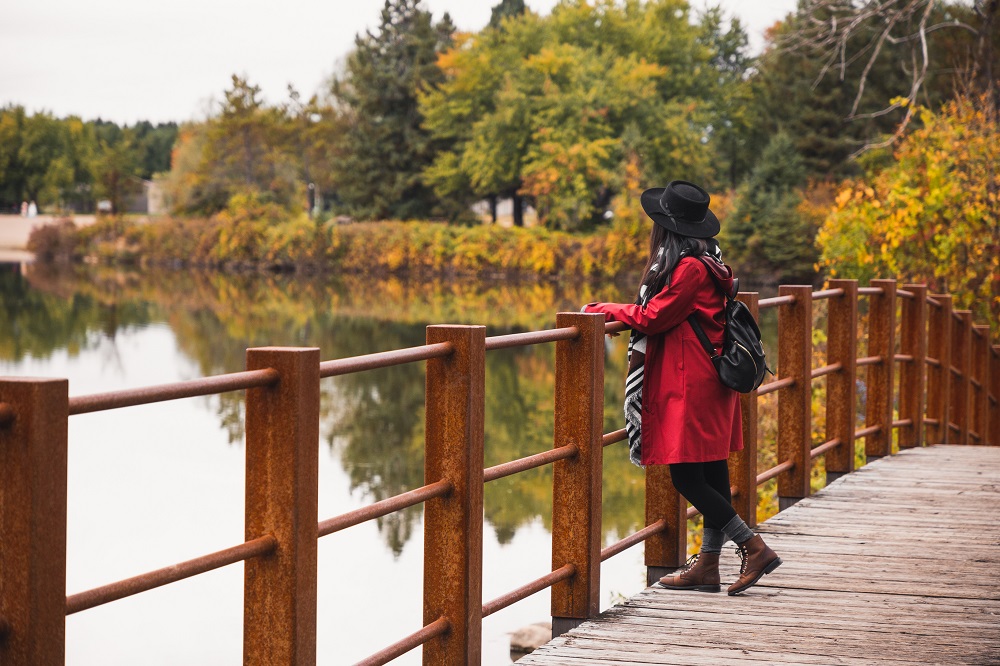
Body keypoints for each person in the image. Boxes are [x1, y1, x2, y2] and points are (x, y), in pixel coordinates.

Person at [583, 181, 781, 596]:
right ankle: (708, 567)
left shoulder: (689, 267)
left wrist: (603, 309)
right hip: (706, 378)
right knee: (712, 472)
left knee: (687, 477)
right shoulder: (709, 260)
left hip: (692, 382)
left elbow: (654, 316)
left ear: (666, 228)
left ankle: (753, 546)